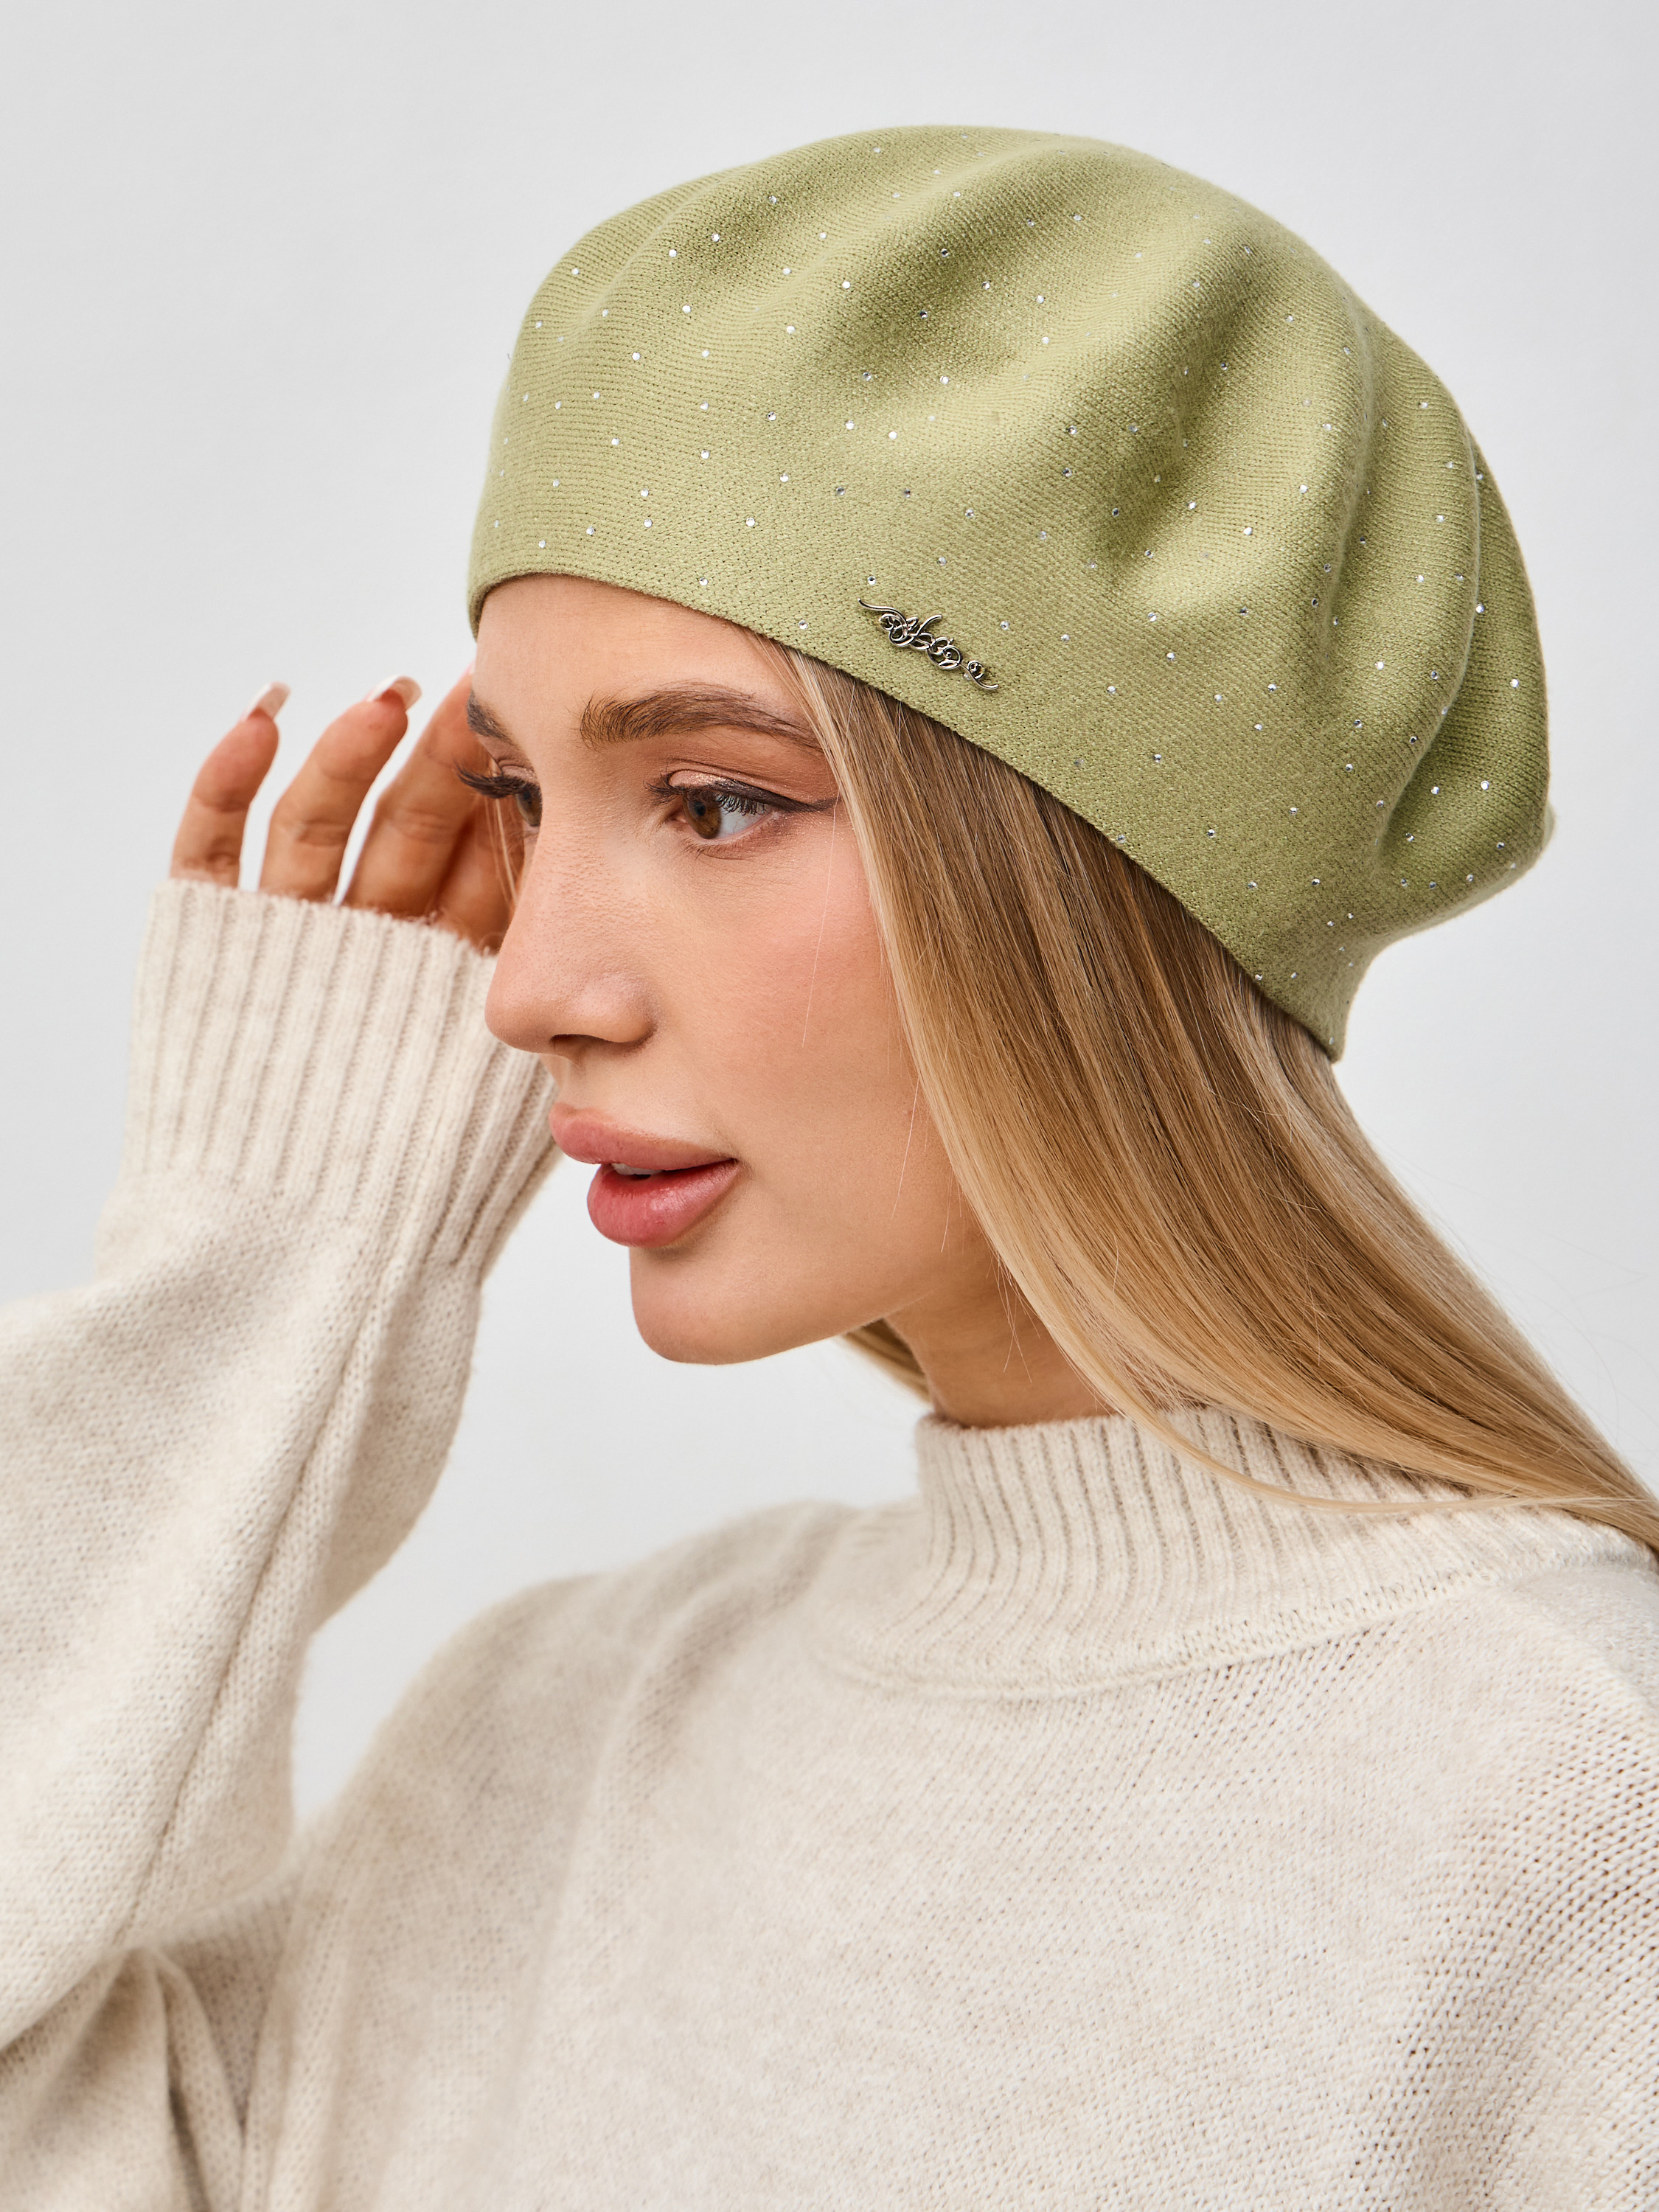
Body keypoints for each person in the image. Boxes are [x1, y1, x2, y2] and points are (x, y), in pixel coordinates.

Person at [2, 124, 1655, 2210]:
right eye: (523, 800)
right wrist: (269, 1264)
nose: (526, 989)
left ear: (1096, 881)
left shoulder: (1569, 1812)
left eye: (710, 802)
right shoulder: (551, 1728)